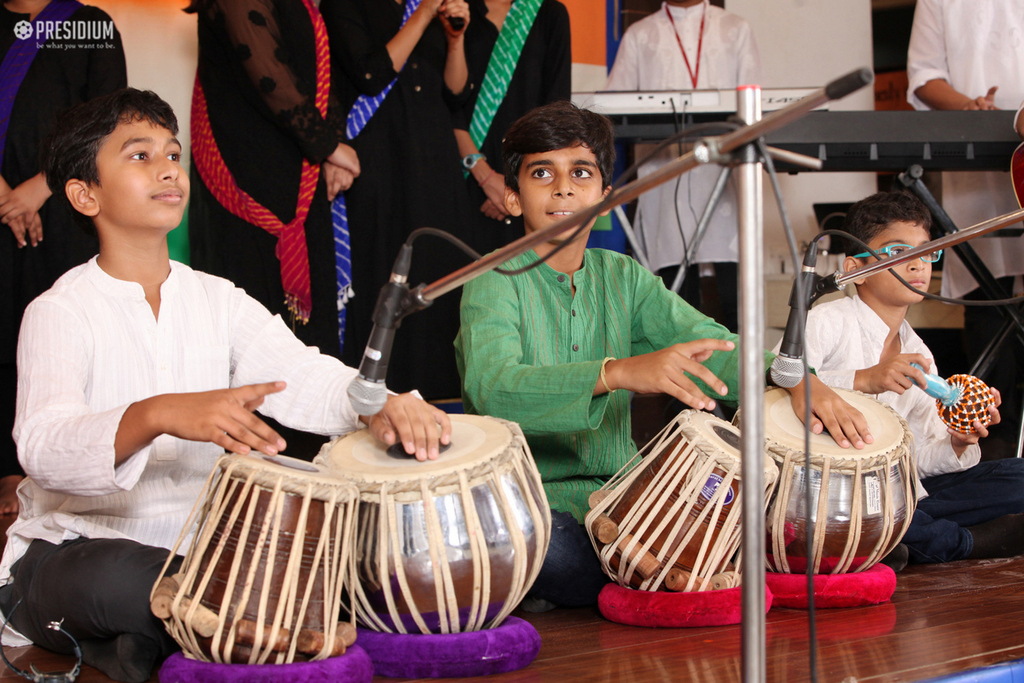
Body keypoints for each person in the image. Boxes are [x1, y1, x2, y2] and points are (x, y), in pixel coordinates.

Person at [0, 88, 452, 683]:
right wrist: (159, 413)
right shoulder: (59, 311)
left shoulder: (216, 298)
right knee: (120, 578)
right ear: (86, 194)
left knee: (317, 566)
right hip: (77, 549)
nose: (167, 168)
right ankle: (199, 626)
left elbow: (298, 373)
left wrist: (379, 403)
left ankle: (156, 642)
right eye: (139, 156)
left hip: (208, 551)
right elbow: (43, 447)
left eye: (173, 153)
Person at [455, 101, 872, 609]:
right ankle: (645, 579)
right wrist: (618, 373)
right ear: (513, 197)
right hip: (526, 497)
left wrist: (793, 376)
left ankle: (642, 576)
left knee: (738, 521)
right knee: (552, 551)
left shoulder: (621, 277)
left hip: (620, 494)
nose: (563, 187)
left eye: (580, 173)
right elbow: (492, 388)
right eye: (542, 172)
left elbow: (708, 344)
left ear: (604, 199)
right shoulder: (492, 282)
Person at [797, 191, 1024, 568]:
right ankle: (961, 542)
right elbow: (779, 384)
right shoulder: (827, 320)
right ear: (855, 268)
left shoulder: (920, 353)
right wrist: (865, 379)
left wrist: (957, 439)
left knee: (1018, 475)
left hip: (903, 494)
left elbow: (921, 461)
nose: (917, 263)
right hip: (833, 491)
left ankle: (895, 539)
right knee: (875, 511)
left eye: (924, 251)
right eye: (896, 252)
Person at [0, 0, 126, 515]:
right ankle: (8, 468)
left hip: (66, 207)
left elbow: (107, 124)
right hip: (3, 199)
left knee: (59, 334)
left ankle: (59, 467)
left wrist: (36, 190)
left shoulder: (89, 24)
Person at [322, 0, 474, 402]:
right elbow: (370, 74)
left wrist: (455, 38)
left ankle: (442, 398)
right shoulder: (348, 7)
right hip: (380, 156)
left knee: (438, 274)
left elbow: (456, 93)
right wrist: (423, 14)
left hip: (436, 158)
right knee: (387, 273)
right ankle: (380, 402)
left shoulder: (431, 10)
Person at [907, 0, 1024, 454]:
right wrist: (972, 109)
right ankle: (988, 454)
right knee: (986, 302)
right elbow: (924, 76)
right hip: (976, 164)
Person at [604, 0, 761, 333]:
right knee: (676, 294)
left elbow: (754, 104)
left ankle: (744, 375)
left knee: (735, 290)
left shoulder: (735, 28)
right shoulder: (640, 35)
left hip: (723, 177)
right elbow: (610, 106)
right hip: (664, 176)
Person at [453, 0, 571, 254]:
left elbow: (557, 110)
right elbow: (446, 105)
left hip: (529, 185)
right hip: (464, 177)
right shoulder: (454, 12)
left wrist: (514, 186)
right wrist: (484, 176)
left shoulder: (548, 14)